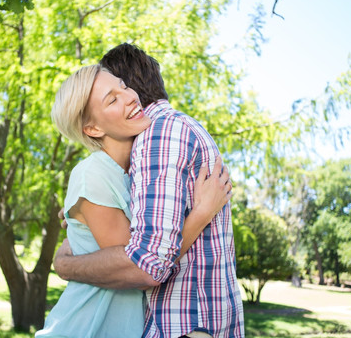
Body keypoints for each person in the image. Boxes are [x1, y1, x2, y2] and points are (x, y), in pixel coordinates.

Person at [54, 44, 245, 337]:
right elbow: (145, 268)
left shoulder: (133, 168)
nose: (131, 97)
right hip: (88, 327)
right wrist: (201, 214)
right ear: (92, 128)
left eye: (124, 87)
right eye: (112, 98)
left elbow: (141, 259)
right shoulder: (95, 173)